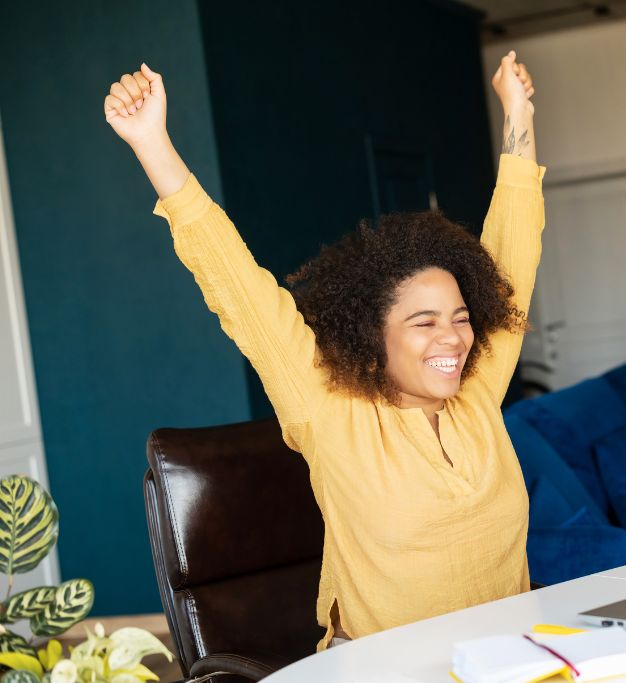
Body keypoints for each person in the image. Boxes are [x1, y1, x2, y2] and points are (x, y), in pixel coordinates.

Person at [103, 53, 543, 651]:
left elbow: (513, 255)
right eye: (423, 322)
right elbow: (240, 290)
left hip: (511, 659)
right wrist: (151, 142)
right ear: (372, 334)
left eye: (462, 319)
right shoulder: (329, 409)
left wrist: (518, 115)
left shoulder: (477, 395)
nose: (454, 338)